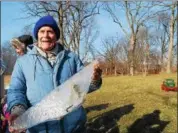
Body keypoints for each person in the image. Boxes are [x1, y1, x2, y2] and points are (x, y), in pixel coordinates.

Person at [7, 15, 102, 133]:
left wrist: (93, 80)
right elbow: (16, 90)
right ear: (37, 35)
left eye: (50, 31)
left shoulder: (71, 58)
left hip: (73, 127)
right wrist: (18, 111)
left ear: (56, 36)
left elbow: (83, 88)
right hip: (39, 128)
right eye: (42, 31)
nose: (45, 35)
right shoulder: (23, 62)